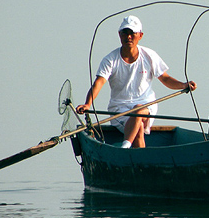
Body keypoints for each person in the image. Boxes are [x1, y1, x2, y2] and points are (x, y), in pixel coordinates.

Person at [76, 15, 196, 148]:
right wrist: (88, 104)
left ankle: (124, 148)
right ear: (119, 34)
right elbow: (99, 83)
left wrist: (184, 85)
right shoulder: (110, 60)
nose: (128, 37)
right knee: (137, 128)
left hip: (147, 105)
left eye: (132, 33)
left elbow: (166, 79)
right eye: (125, 33)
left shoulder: (149, 55)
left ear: (140, 35)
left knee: (138, 110)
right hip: (119, 109)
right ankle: (141, 161)